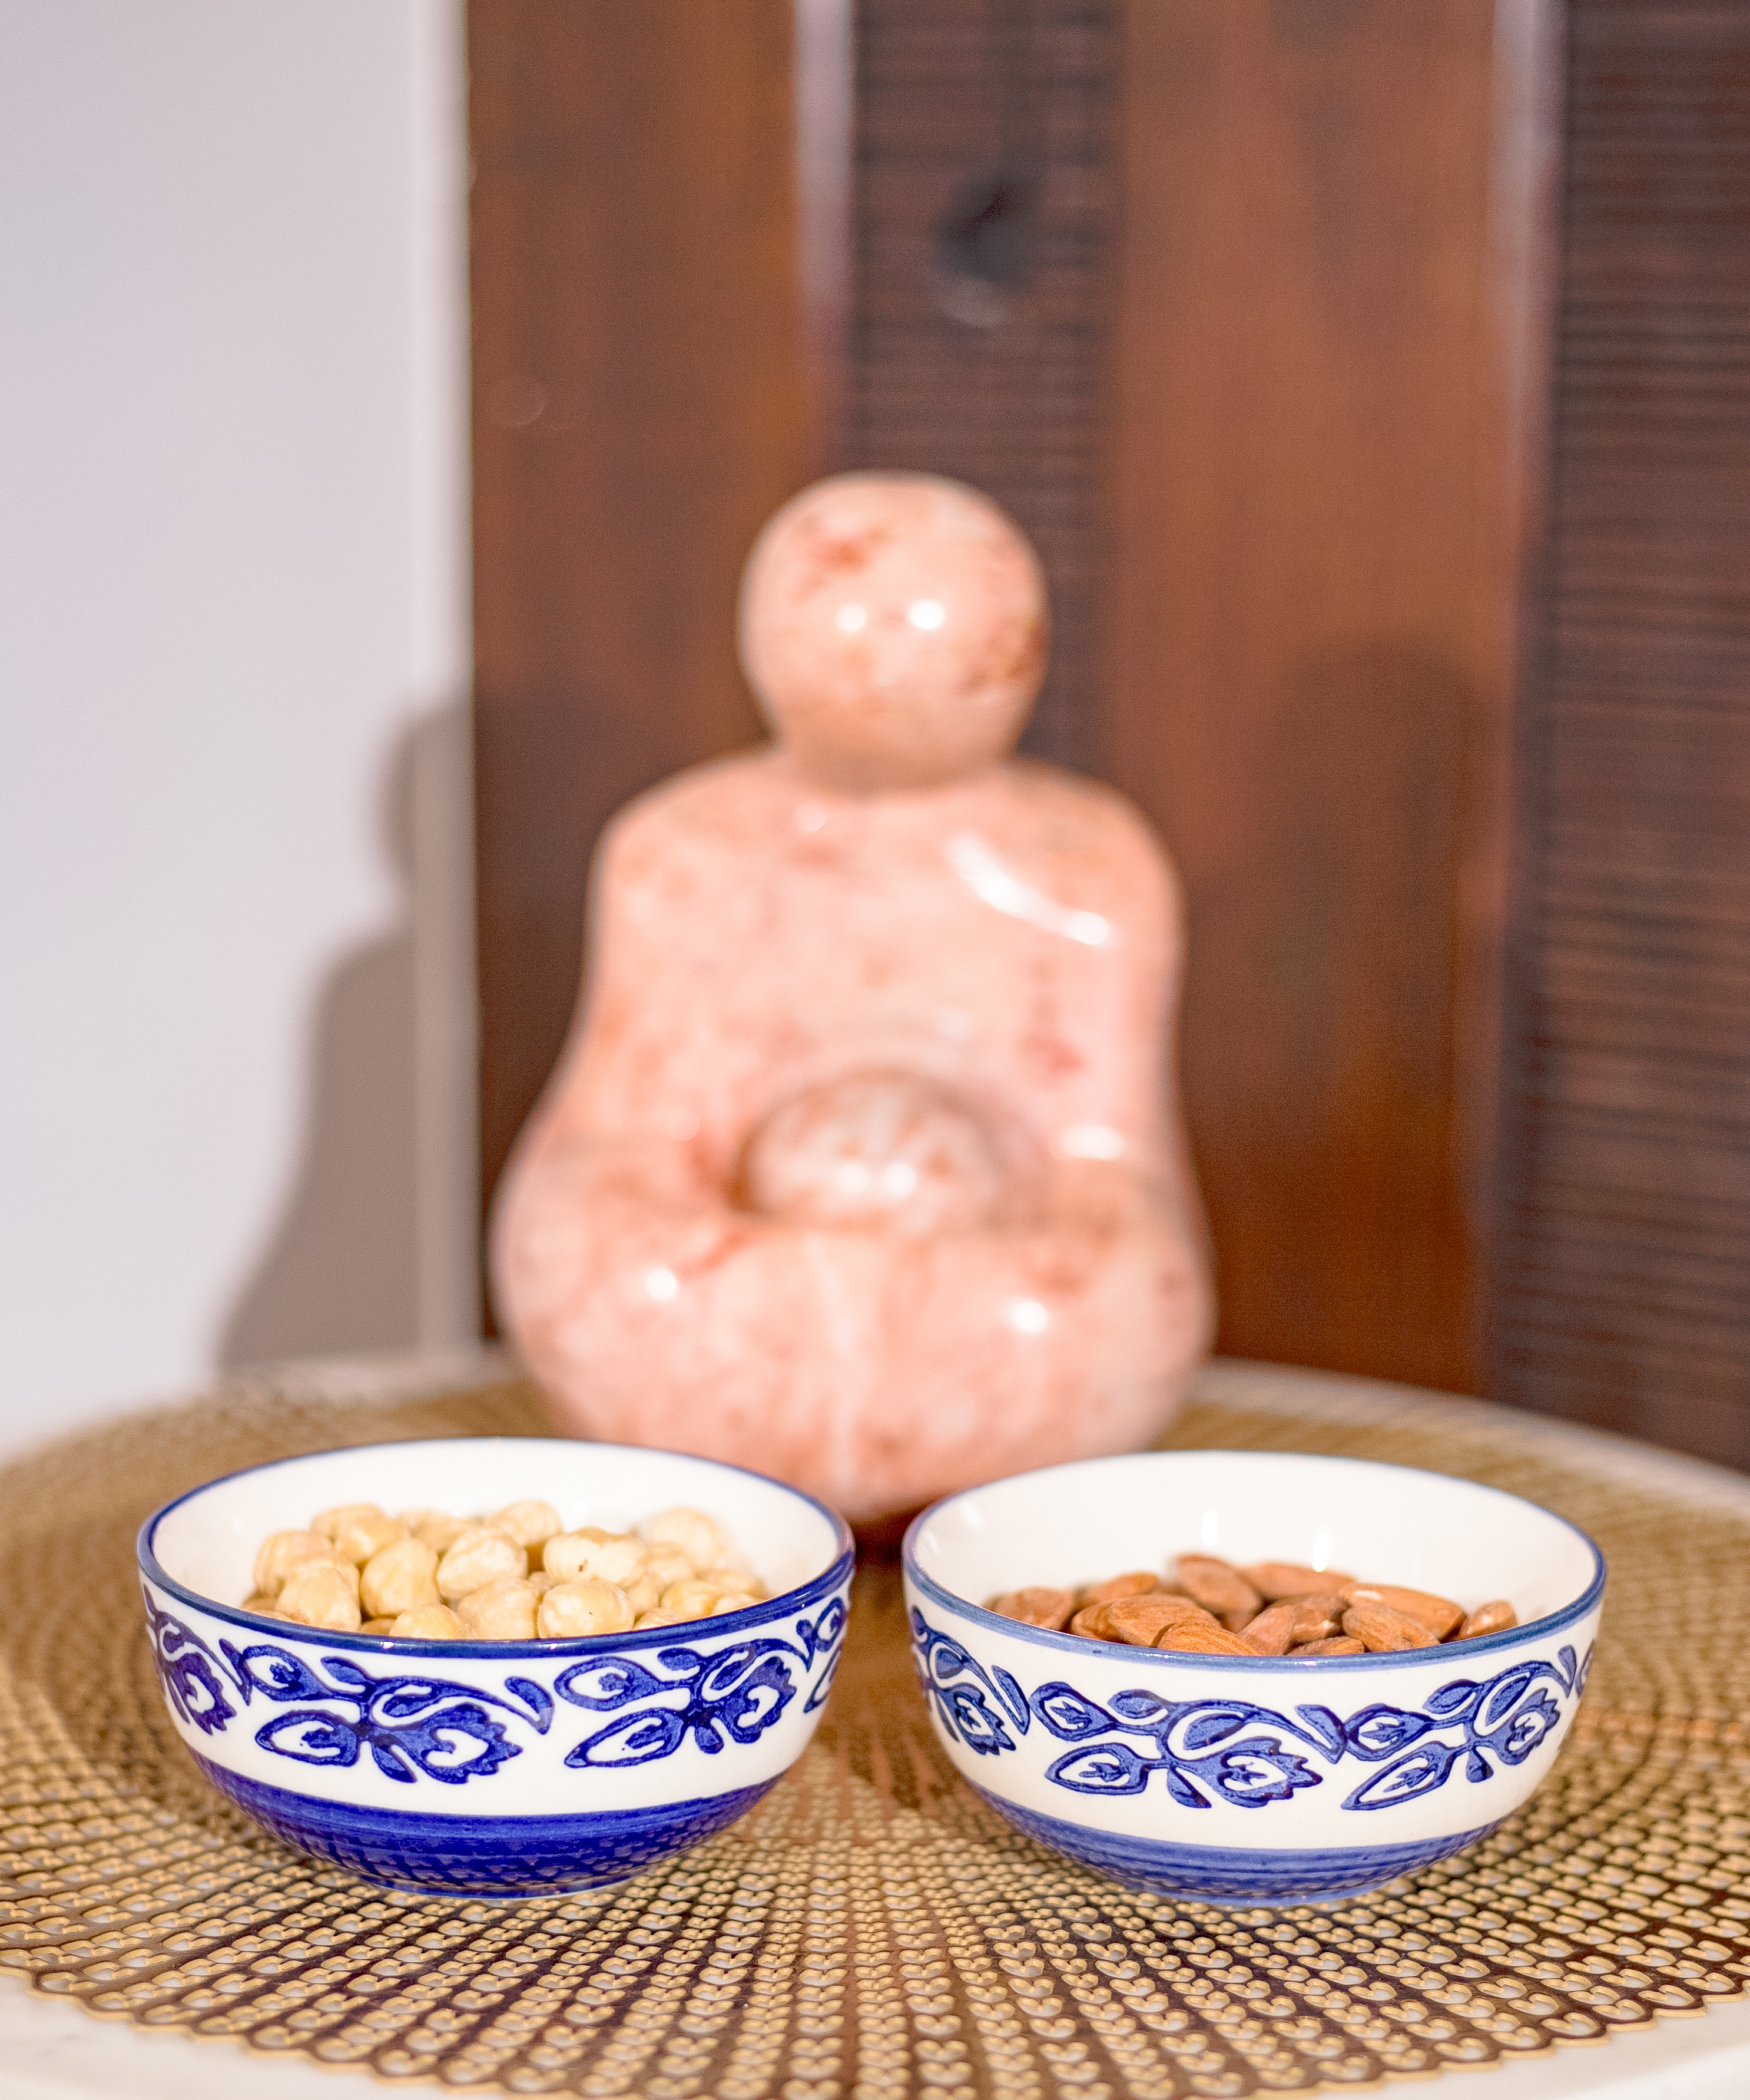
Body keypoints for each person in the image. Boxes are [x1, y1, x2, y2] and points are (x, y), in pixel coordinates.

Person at [492, 471, 1213, 1519]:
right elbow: (618, 1127)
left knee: (1092, 1313)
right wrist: (750, 1243)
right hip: (734, 1232)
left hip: (988, 1261)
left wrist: (1012, 1247)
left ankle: (915, 1468)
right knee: (607, 1275)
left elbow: (1110, 1160)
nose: (890, 682)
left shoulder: (1090, 871)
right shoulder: (681, 852)